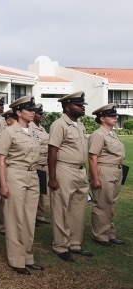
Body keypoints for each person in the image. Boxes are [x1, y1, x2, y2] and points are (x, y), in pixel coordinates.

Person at [0, 95, 44, 275]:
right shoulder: (9, 132)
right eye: (29, 110)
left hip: (32, 174)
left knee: (29, 218)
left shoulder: (33, 130)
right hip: (15, 174)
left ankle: (27, 256)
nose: (33, 113)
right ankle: (16, 258)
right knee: (15, 217)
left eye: (34, 110)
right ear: (18, 112)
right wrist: (3, 183)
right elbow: (0, 159)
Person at [48, 91, 92, 262]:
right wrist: (52, 177)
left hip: (80, 171)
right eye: (79, 105)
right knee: (61, 208)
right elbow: (52, 151)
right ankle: (60, 246)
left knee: (78, 208)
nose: (82, 107)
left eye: (82, 105)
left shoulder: (79, 125)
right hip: (64, 170)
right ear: (67, 107)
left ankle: (74, 243)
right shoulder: (59, 125)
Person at [89, 104, 125, 247]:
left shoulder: (112, 134)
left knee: (112, 203)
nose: (115, 118)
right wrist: (95, 179)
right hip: (104, 171)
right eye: (111, 116)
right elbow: (92, 157)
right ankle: (100, 235)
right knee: (102, 203)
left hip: (116, 170)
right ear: (102, 118)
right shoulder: (98, 134)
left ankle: (109, 233)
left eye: (115, 115)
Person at [31, 104, 51, 225]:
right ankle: (32, 216)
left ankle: (40, 215)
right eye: (39, 113)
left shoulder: (42, 128)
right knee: (34, 192)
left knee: (42, 192)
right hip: (36, 163)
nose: (41, 116)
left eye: (42, 113)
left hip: (44, 163)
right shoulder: (30, 128)